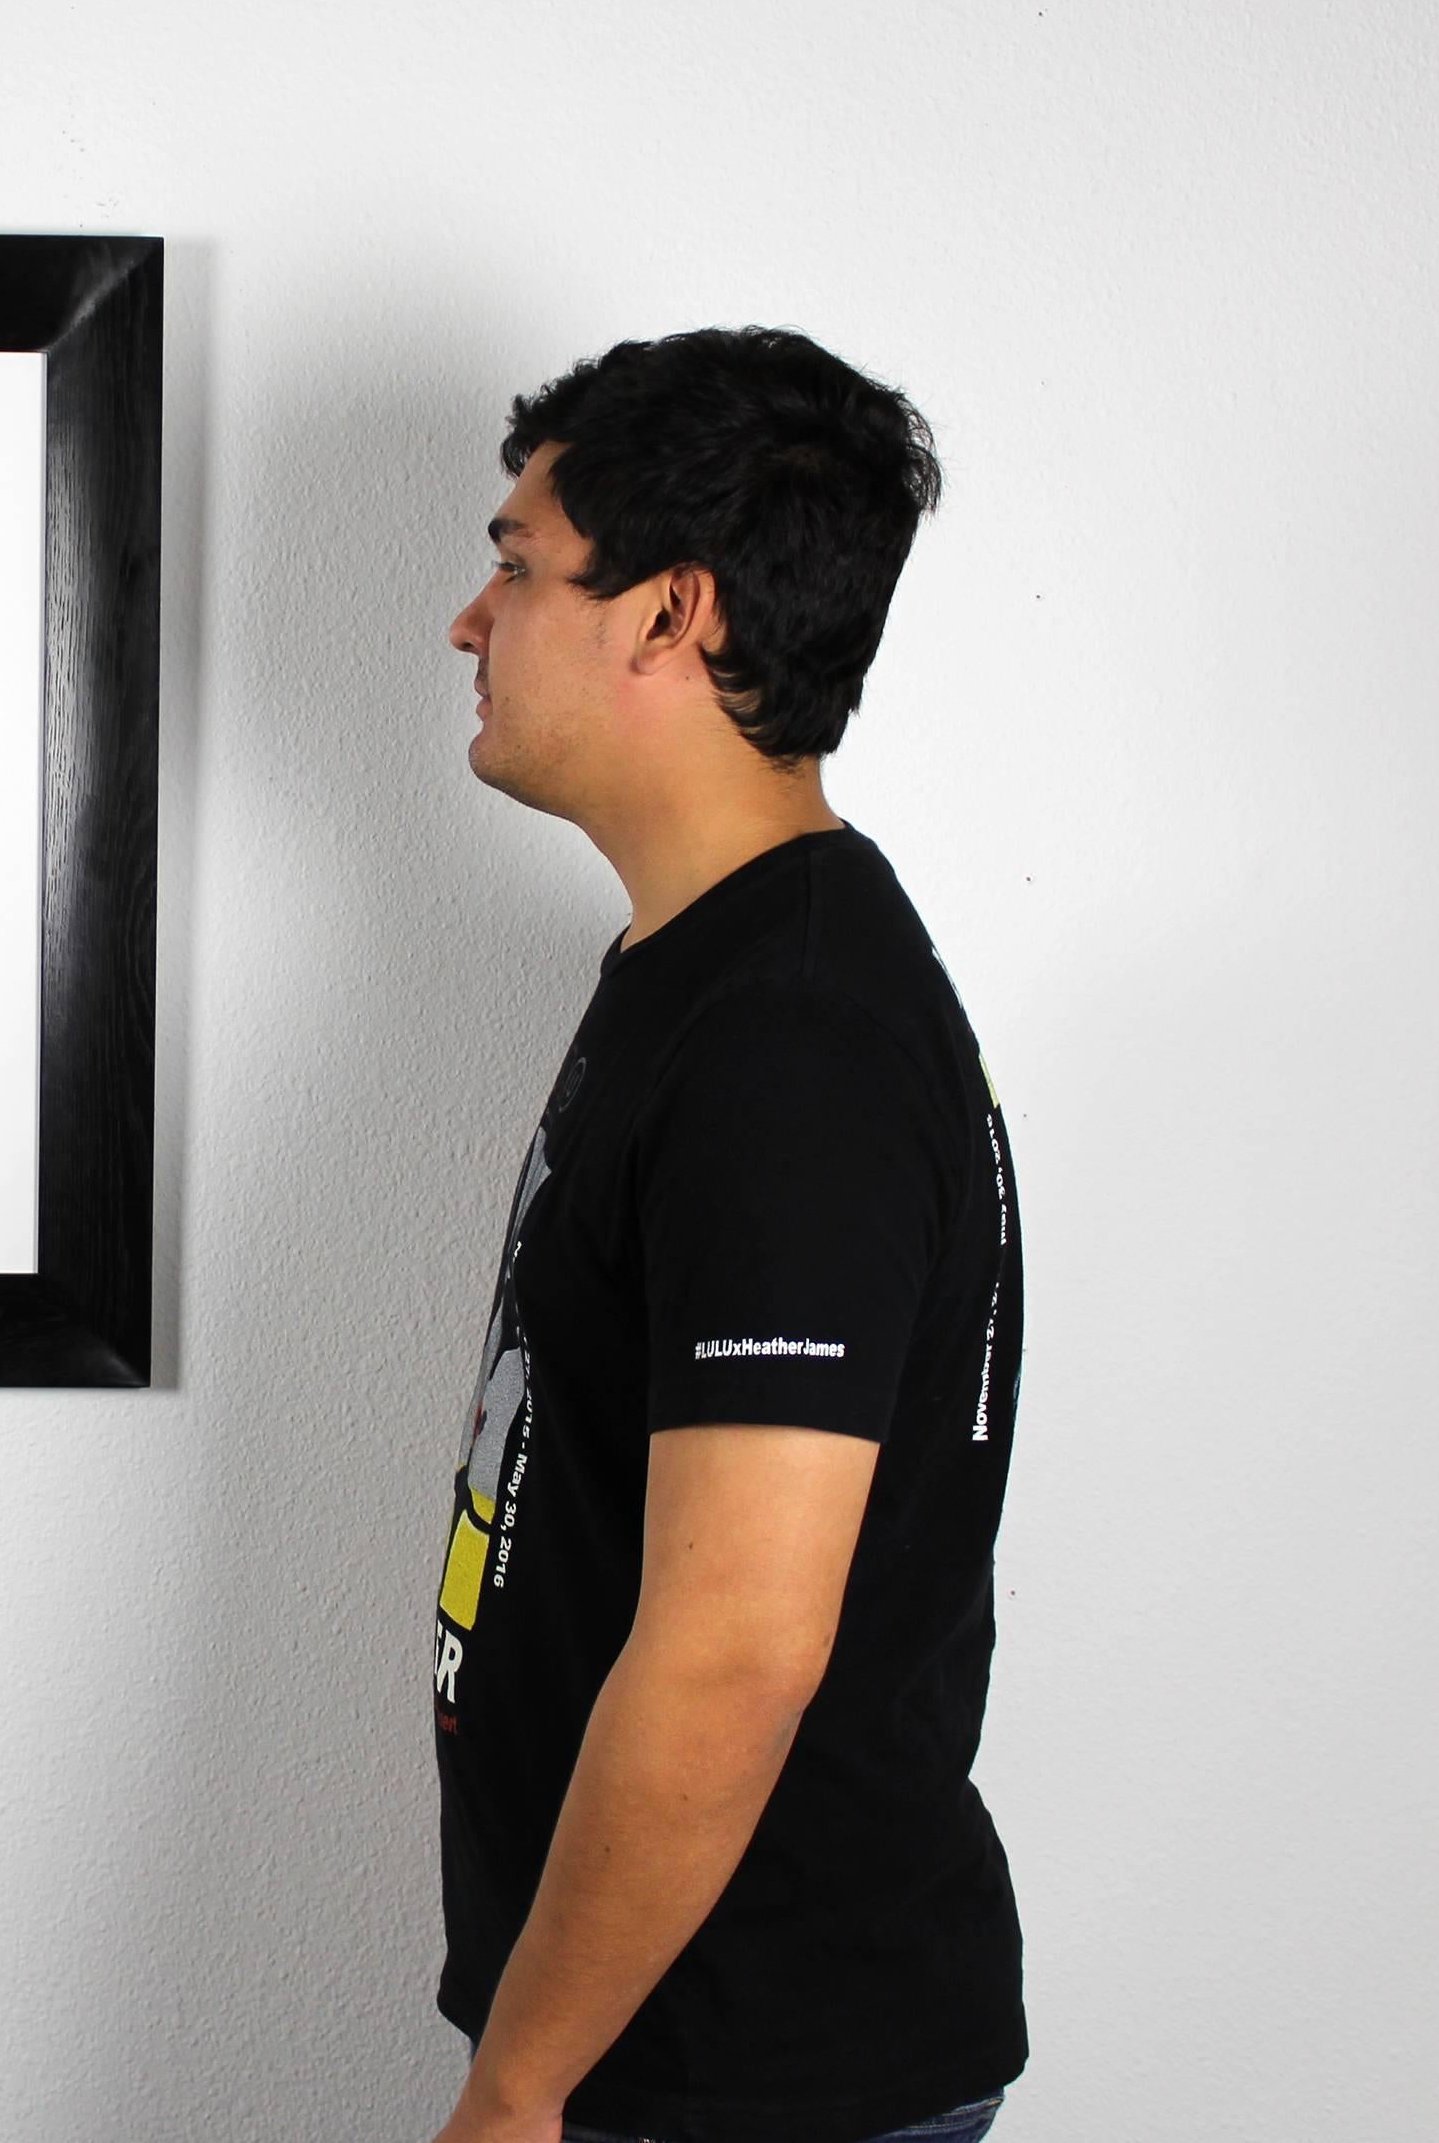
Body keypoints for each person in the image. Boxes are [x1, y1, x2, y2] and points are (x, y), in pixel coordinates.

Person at [426, 328, 1026, 2143]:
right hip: (687, 2053)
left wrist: (521, 2091)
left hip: (747, 2079)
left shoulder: (792, 1043)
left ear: (668, 615)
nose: (472, 617)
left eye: (520, 563)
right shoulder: (711, 969)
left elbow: (737, 1640)